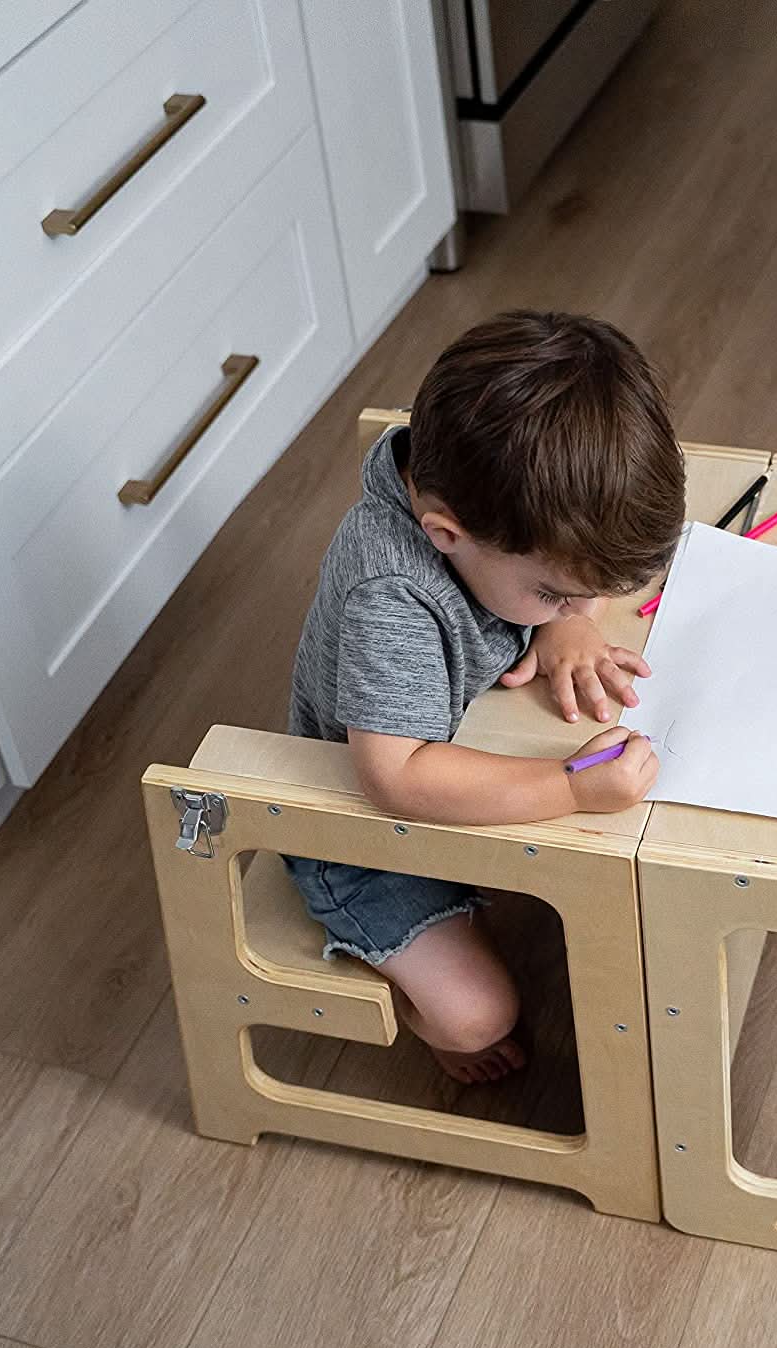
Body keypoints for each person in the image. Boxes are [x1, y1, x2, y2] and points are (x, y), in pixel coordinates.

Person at [286, 310, 686, 1083]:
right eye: (557, 591)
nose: (581, 603)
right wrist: (568, 789)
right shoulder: (392, 598)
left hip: (461, 741)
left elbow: (560, 573)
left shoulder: (487, 500)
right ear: (445, 535)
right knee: (480, 1017)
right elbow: (394, 777)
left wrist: (564, 625)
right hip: (365, 840)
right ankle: (418, 1010)